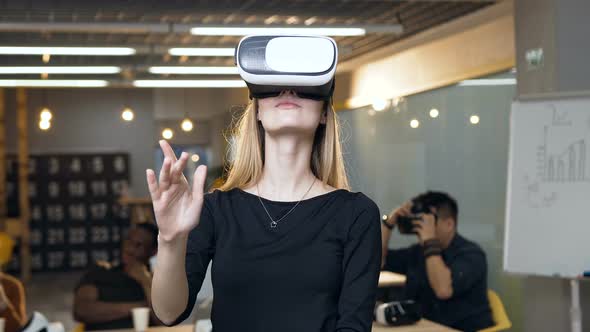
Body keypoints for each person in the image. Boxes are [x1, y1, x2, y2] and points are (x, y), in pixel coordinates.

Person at [149, 35, 382, 332]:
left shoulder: (356, 214)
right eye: (273, 85)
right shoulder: (216, 209)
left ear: (324, 113)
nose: (287, 90)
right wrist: (170, 239)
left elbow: (354, 327)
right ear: (257, 110)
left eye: (304, 85)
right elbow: (169, 313)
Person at [380, 191, 493, 331]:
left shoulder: (472, 255)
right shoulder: (418, 252)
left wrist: (429, 240)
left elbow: (443, 290)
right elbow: (378, 262)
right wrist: (388, 224)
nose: (422, 224)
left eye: (429, 220)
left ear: (449, 224)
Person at [73, 223, 160, 330]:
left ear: (153, 251)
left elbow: (163, 321)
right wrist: (140, 307)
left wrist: (146, 281)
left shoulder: (157, 282)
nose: (129, 249)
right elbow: (81, 310)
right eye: (128, 240)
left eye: (138, 245)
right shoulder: (101, 272)